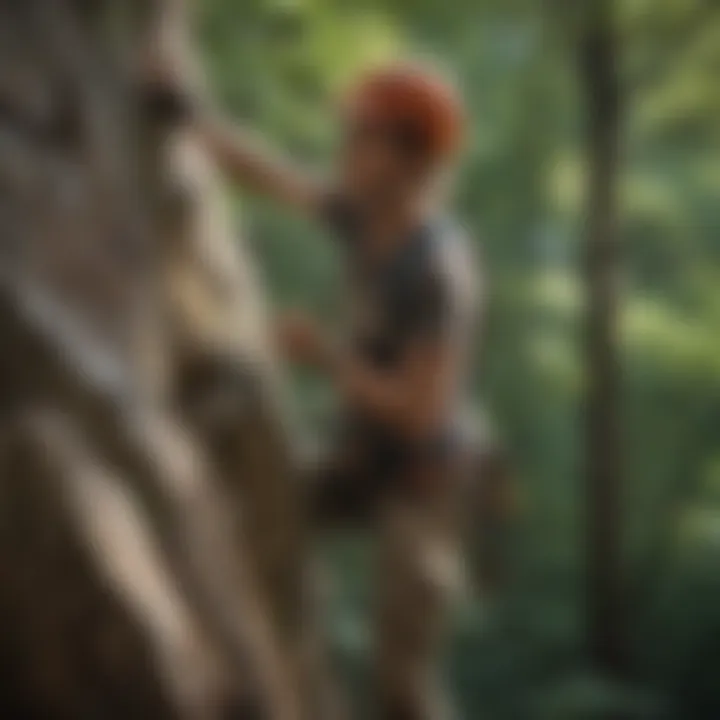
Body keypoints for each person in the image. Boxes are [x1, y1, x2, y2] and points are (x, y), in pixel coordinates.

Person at [149, 60, 481, 720]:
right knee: (256, 500)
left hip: (424, 483)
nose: (345, 148)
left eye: (363, 134)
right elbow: (270, 175)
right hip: (365, 460)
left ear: (409, 158)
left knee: (401, 687)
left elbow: (421, 413)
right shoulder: (364, 217)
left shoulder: (437, 272)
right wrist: (184, 117)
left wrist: (325, 356)